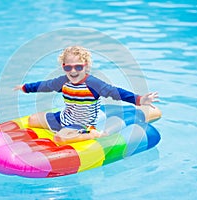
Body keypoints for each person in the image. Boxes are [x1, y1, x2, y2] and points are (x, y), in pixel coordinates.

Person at [13, 46, 160, 145]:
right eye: (68, 67)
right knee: (32, 120)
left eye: (78, 67)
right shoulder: (63, 81)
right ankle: (62, 127)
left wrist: (139, 99)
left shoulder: (93, 83)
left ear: (86, 66)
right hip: (63, 117)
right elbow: (45, 85)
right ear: (63, 66)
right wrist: (26, 88)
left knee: (60, 138)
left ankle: (94, 134)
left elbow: (116, 92)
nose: (73, 71)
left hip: (82, 123)